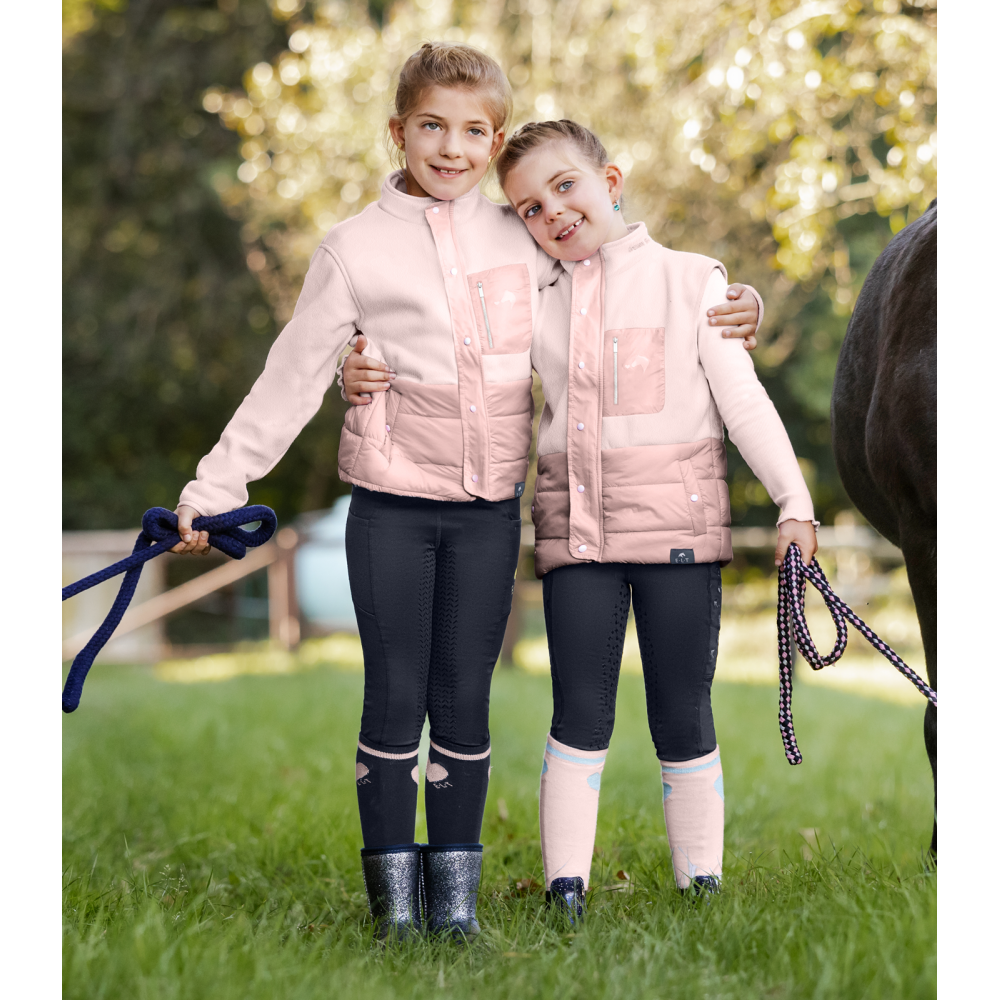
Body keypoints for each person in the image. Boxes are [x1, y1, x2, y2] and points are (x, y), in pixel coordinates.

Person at [175, 42, 759, 943]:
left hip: (488, 516)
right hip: (390, 511)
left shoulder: (523, 237)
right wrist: (214, 486)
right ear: (398, 131)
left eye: (475, 131)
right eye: (432, 127)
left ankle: (455, 906)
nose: (453, 148)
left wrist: (728, 300)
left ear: (495, 138)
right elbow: (288, 378)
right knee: (394, 695)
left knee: (464, 700)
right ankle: (393, 909)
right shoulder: (352, 251)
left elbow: (622, 285)